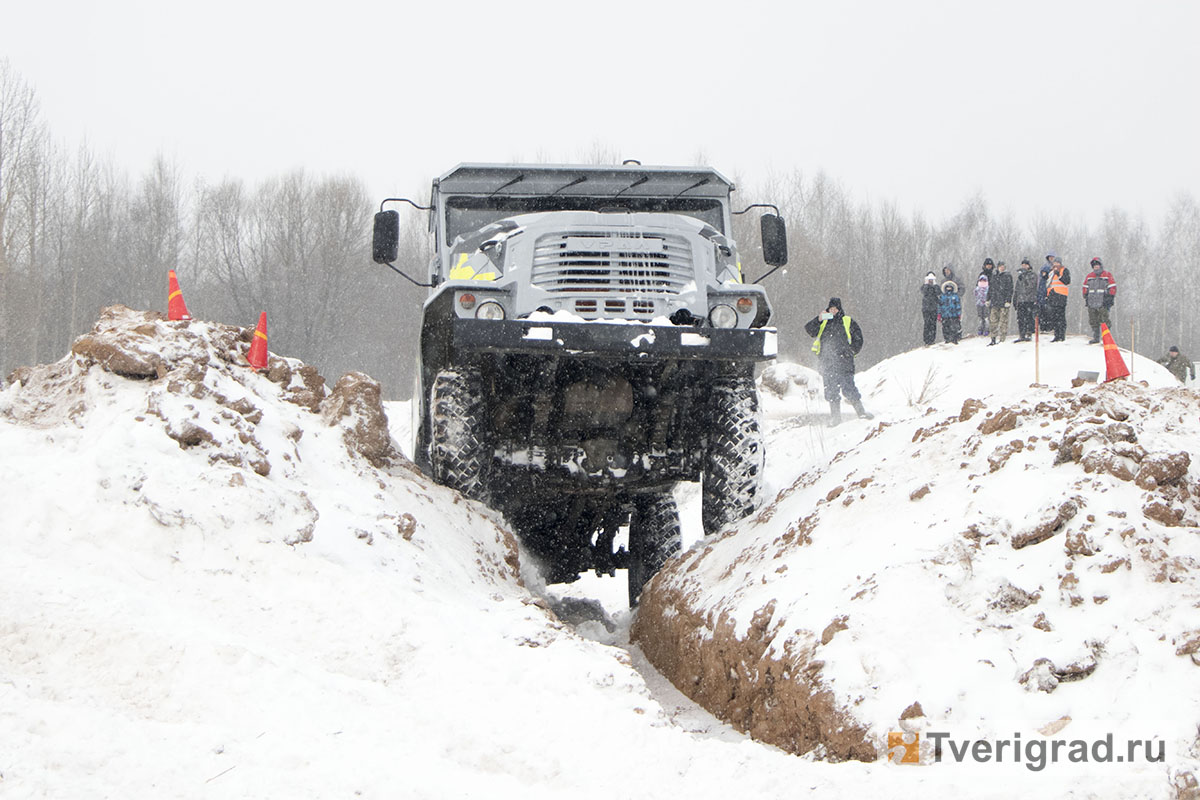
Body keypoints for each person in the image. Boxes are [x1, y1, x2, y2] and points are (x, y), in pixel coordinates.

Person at [805, 298, 872, 425]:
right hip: (827, 362)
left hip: (845, 362)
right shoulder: (823, 322)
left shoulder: (847, 321)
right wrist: (818, 319)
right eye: (831, 309)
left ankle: (861, 413)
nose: (833, 311)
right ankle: (835, 418)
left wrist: (851, 352)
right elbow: (809, 330)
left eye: (835, 309)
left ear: (840, 309)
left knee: (849, 388)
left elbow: (858, 338)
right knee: (831, 391)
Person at [1081, 257, 1117, 344]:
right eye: (1094, 266)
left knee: (1104, 321)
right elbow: (1085, 287)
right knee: (1093, 320)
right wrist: (1086, 297)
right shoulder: (1089, 276)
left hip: (1103, 302)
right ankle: (1096, 337)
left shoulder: (1107, 275)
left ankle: (1107, 338)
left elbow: (1112, 287)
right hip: (1092, 302)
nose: (1096, 267)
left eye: (1097, 265)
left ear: (1100, 265)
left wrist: (1110, 298)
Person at [987, 260, 1014, 344]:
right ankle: (993, 338)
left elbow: (1010, 289)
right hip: (994, 302)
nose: (1002, 267)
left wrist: (1008, 300)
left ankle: (1002, 339)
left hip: (1003, 302)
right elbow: (990, 289)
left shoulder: (1007, 276)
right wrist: (988, 299)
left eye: (1003, 266)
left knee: (1003, 322)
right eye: (1000, 266)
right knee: (993, 321)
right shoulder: (994, 276)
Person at [1045, 257, 1071, 341]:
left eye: (1057, 263)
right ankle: (1056, 335)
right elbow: (1049, 284)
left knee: (1061, 316)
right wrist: (1047, 295)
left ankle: (1062, 335)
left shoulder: (1064, 270)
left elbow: (1067, 281)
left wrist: (1059, 275)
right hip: (1053, 295)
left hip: (1061, 295)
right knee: (1054, 316)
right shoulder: (1051, 272)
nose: (1055, 265)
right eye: (1054, 263)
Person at [1013, 258, 1037, 342]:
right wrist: (1015, 299)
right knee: (1020, 318)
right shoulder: (1019, 276)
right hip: (1020, 300)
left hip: (1029, 300)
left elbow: (1031, 286)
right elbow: (1017, 289)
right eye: (1022, 265)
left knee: (1029, 317)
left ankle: (1028, 333)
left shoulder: (1032, 275)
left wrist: (1024, 278)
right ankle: (1021, 334)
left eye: (1025, 265)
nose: (1023, 267)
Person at [1035, 251, 1056, 328]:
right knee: (1043, 309)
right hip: (1043, 291)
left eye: (1052, 258)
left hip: (1052, 291)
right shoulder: (1045, 267)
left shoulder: (1055, 268)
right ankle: (1044, 326)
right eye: (1050, 257)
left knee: (1051, 310)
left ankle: (1050, 326)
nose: (1051, 259)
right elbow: (1042, 281)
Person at [938, 280, 962, 344]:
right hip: (945, 315)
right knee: (946, 328)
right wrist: (939, 314)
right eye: (947, 288)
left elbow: (958, 306)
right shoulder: (942, 297)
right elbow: (939, 306)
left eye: (950, 288)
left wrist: (959, 314)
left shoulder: (955, 296)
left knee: (954, 328)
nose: (948, 289)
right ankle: (947, 339)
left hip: (954, 315)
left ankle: (954, 339)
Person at [920, 272, 940, 346]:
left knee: (933, 324)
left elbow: (938, 292)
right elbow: (924, 291)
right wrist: (926, 284)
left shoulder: (936, 287)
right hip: (926, 309)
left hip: (934, 308)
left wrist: (934, 285)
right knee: (927, 324)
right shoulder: (924, 287)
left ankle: (932, 339)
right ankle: (926, 340)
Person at [974, 272, 990, 337]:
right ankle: (980, 329)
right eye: (981, 280)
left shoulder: (988, 288)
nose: (983, 282)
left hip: (986, 304)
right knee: (980, 317)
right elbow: (975, 295)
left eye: (984, 280)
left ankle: (987, 329)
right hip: (979, 304)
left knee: (986, 318)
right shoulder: (977, 288)